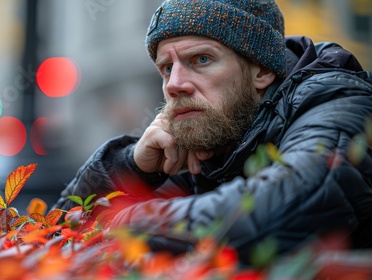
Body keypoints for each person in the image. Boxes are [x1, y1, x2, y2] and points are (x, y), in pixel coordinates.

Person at [52, 0, 372, 263]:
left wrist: (122, 221)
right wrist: (130, 165)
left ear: (261, 69)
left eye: (201, 59)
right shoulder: (209, 138)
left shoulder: (339, 104)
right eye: (166, 67)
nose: (174, 84)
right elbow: (51, 238)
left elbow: (278, 211)